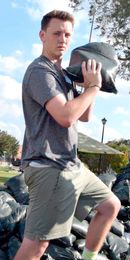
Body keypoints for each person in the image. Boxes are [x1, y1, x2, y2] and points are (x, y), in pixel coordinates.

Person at [16, 10, 120, 260]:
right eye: (56, 33)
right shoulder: (41, 72)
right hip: (49, 168)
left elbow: (83, 115)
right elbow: (65, 116)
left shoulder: (64, 75)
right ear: (42, 35)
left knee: (109, 206)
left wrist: (88, 85)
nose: (62, 39)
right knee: (37, 246)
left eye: (67, 35)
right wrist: (93, 88)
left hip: (71, 165)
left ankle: (87, 258)